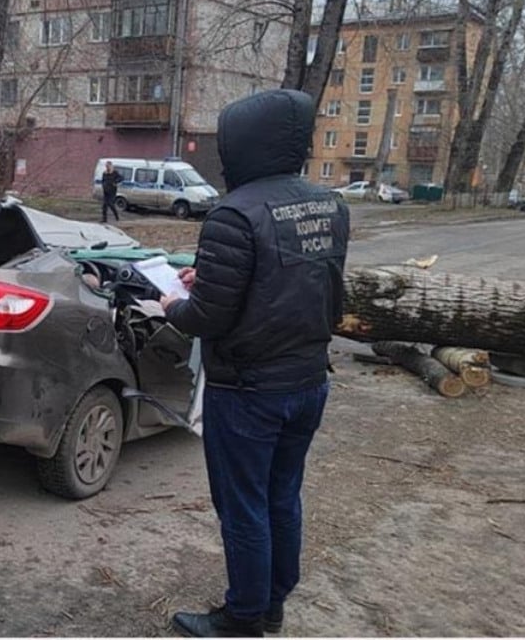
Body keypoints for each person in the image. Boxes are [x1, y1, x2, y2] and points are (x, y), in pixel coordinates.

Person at [160, 89, 350, 637]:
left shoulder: (233, 214)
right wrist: (216, 280)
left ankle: (242, 617)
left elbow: (208, 320)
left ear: (242, 143)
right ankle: (272, 603)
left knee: (243, 506)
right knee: (282, 496)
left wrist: (173, 304)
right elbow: (297, 281)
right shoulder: (330, 206)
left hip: (247, 391)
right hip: (308, 381)